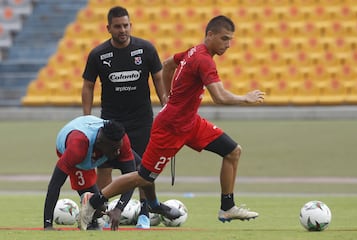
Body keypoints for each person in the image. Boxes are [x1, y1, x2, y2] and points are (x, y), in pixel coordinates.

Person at [78, 15, 265, 230]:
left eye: (230, 40)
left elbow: (167, 65)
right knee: (142, 177)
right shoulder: (203, 60)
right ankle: (92, 202)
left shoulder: (193, 52)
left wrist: (169, 98)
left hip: (190, 123)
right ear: (210, 35)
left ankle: (227, 206)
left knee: (233, 151)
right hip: (171, 128)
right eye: (224, 39)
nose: (228, 45)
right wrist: (245, 98)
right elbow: (220, 97)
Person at [81, 6, 168, 229]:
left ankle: (144, 214)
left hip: (141, 120)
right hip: (111, 122)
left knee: (144, 170)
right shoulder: (98, 54)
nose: (123, 30)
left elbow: (159, 79)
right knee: (105, 169)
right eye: (118, 26)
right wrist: (86, 118)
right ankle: (100, 212)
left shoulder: (146, 49)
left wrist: (166, 108)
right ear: (108, 28)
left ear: (131, 25)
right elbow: (88, 86)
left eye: (126, 25)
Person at [43, 115, 136, 230]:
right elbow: (55, 185)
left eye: (119, 148)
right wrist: (48, 225)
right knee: (96, 207)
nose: (118, 153)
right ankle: (88, 206)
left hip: (93, 145)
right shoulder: (77, 148)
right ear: (101, 143)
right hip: (72, 149)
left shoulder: (121, 141)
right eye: (114, 149)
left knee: (140, 169)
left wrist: (119, 209)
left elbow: (131, 179)